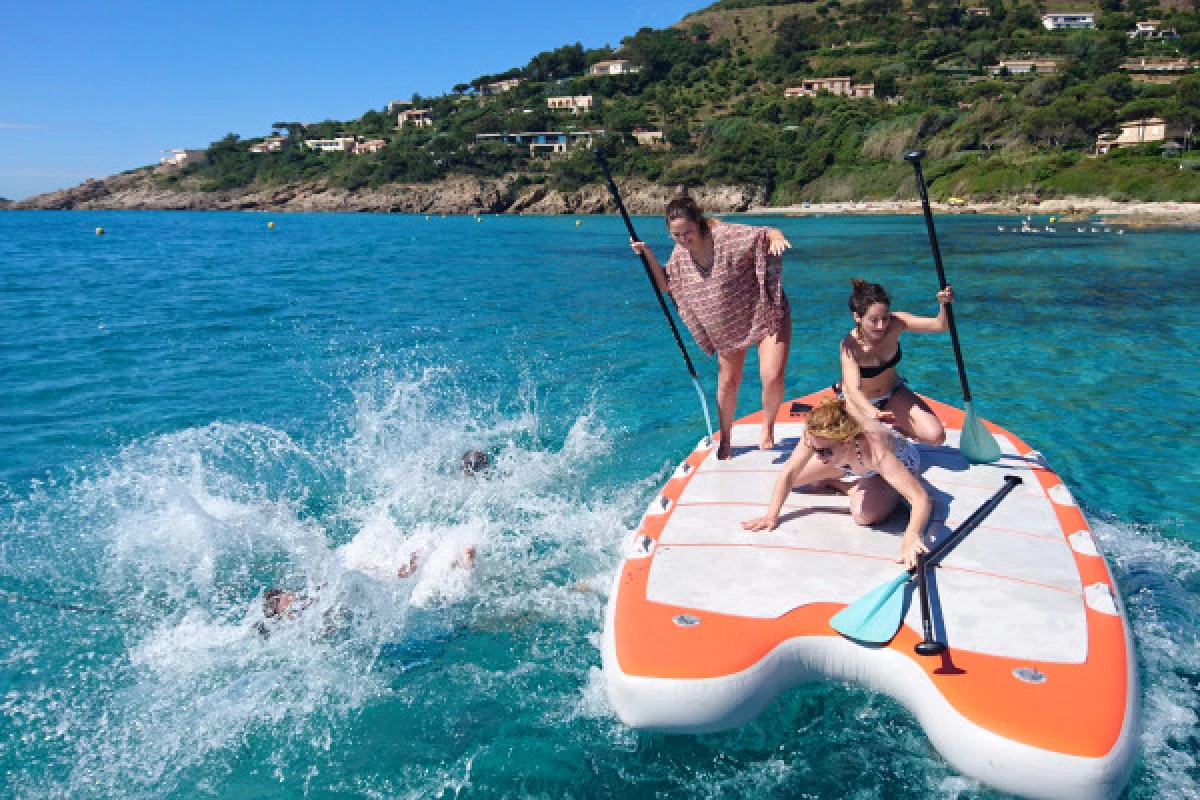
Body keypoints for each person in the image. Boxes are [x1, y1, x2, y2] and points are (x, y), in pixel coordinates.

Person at [631, 196, 792, 460]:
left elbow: (765, 233)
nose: (683, 239)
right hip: (728, 326)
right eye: (676, 235)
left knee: (772, 375)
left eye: (688, 232)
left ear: (700, 224)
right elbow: (666, 284)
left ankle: (768, 426)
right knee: (728, 383)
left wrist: (775, 238)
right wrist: (646, 253)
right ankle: (726, 438)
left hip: (764, 310)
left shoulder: (726, 235)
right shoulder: (680, 253)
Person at [741, 397, 931, 568]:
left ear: (847, 442)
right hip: (849, 461)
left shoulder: (876, 452)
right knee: (796, 480)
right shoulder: (818, 437)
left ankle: (889, 488)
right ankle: (850, 485)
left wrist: (911, 537)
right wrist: (771, 515)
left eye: (824, 452)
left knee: (863, 515)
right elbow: (789, 472)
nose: (817, 456)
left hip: (896, 463)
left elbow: (920, 499)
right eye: (814, 449)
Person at [838, 279, 955, 446]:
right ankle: (882, 429)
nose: (881, 326)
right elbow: (854, 391)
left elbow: (940, 325)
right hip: (859, 402)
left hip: (892, 393)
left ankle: (895, 430)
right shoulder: (850, 346)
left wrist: (944, 305)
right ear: (857, 316)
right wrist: (874, 413)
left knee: (936, 437)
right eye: (873, 320)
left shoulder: (897, 323)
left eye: (885, 318)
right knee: (869, 448)